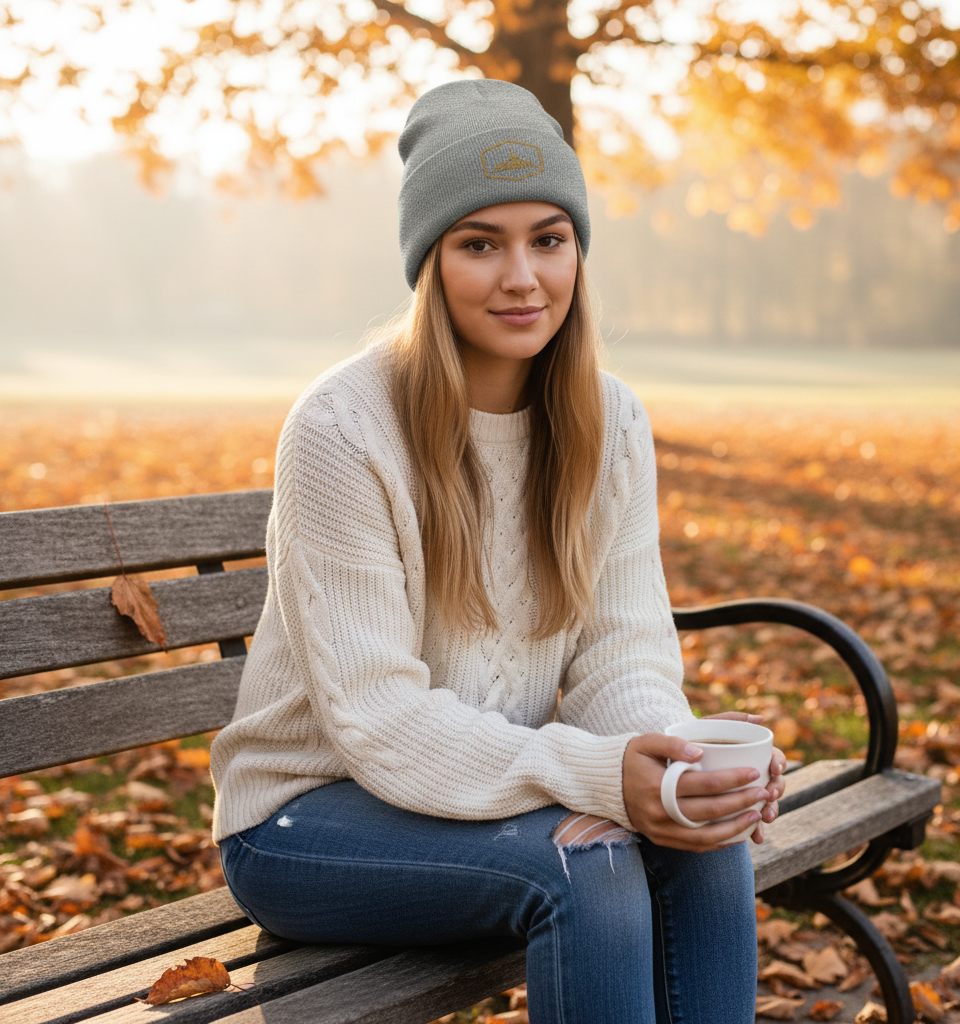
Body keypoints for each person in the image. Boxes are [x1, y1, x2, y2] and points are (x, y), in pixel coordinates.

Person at [211, 79, 787, 1024]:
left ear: (577, 252)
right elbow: (380, 720)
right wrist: (600, 778)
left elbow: (622, 652)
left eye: (548, 239)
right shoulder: (345, 427)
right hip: (305, 818)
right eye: (481, 243)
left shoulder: (613, 421)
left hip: (492, 794)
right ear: (429, 261)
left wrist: (677, 770)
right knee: (588, 865)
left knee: (697, 841)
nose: (523, 276)